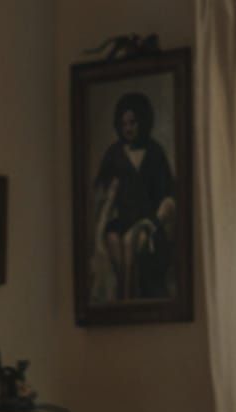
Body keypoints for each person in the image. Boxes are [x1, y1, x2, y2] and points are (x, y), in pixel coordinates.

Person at [92, 90, 177, 303]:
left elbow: (169, 198)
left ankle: (130, 298)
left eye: (133, 122)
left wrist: (152, 224)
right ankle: (123, 296)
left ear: (143, 122)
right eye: (124, 124)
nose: (128, 128)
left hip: (148, 221)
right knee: (113, 239)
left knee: (131, 242)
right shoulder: (114, 153)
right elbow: (105, 193)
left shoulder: (155, 152)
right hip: (123, 219)